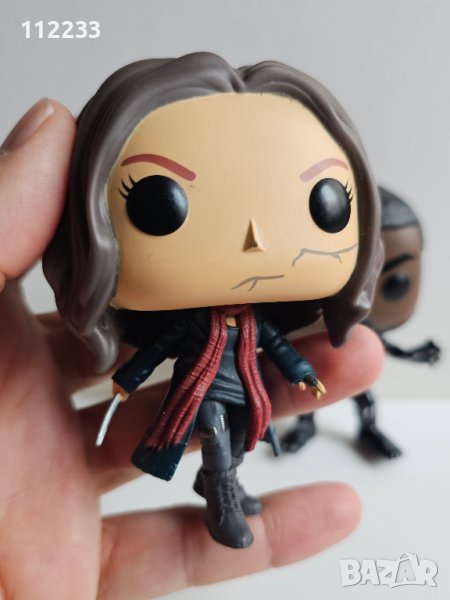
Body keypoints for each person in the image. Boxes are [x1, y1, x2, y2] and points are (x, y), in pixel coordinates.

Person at [0, 98, 383, 597]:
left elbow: (274, 345)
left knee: (242, 437)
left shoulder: (254, 319)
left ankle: (225, 483)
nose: (252, 239)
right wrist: (126, 380)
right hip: (201, 390)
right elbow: (158, 347)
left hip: (248, 388)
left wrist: (303, 374)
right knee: (215, 436)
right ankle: (221, 496)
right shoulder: (191, 321)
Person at [282, 187, 440, 458]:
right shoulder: (308, 320)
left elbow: (384, 345)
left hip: (353, 364)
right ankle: (306, 424)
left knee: (363, 396)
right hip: (314, 358)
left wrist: (414, 354)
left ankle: (368, 428)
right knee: (309, 397)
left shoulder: (365, 329)